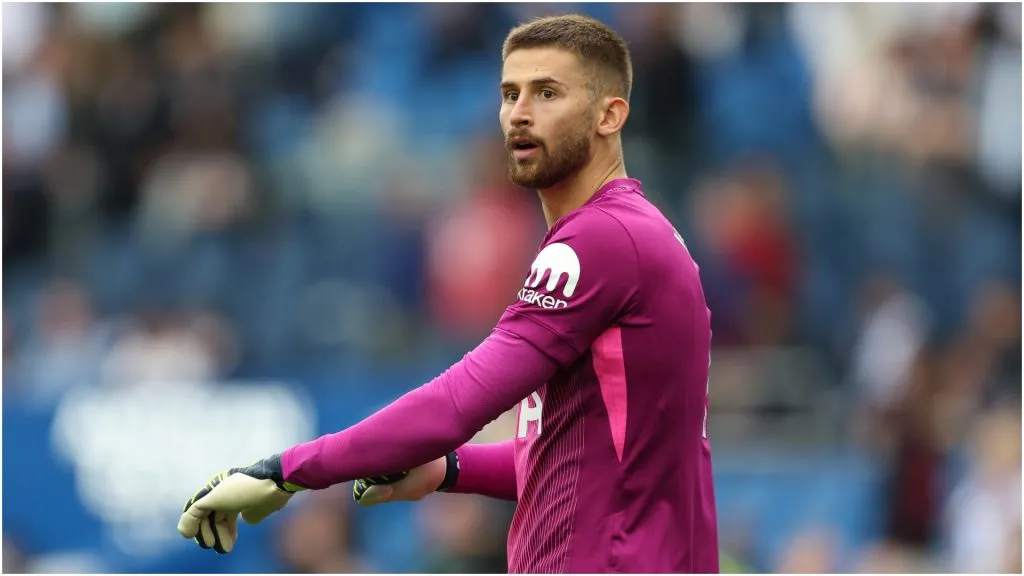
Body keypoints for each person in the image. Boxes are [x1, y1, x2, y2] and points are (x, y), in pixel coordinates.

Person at [178, 14, 719, 573]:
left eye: (548, 93)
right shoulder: (638, 232)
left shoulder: (600, 240)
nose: (520, 113)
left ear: (610, 115)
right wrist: (449, 469)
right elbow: (588, 463)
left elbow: (457, 403)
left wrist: (287, 471)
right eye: (510, 94)